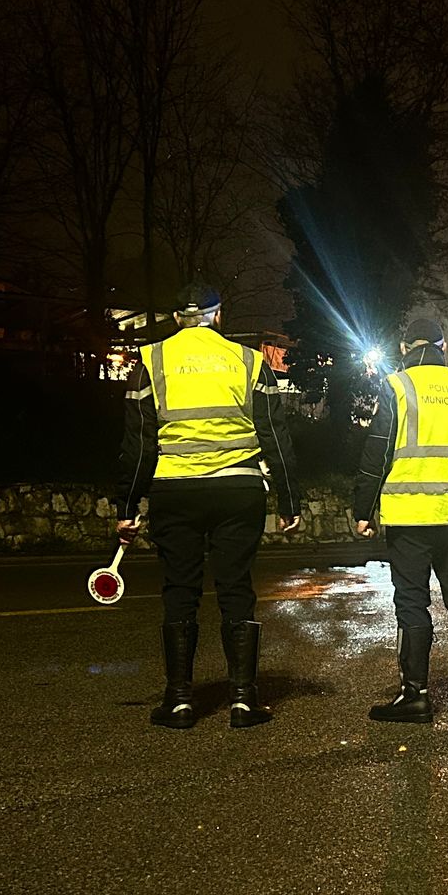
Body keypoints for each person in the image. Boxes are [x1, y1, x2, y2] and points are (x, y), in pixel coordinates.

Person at [117, 283, 301, 730]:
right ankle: (243, 700)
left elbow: (138, 442)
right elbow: (275, 434)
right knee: (235, 586)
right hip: (237, 490)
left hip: (174, 491)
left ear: (179, 318)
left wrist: (127, 504)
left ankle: (179, 700)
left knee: (180, 588)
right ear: (219, 317)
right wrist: (289, 499)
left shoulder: (150, 359)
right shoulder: (248, 360)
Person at [353, 315, 448, 723]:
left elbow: (375, 454)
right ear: (444, 346)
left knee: (412, 603)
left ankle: (415, 696)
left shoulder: (397, 386)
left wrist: (363, 510)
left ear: (403, 349)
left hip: (409, 517)